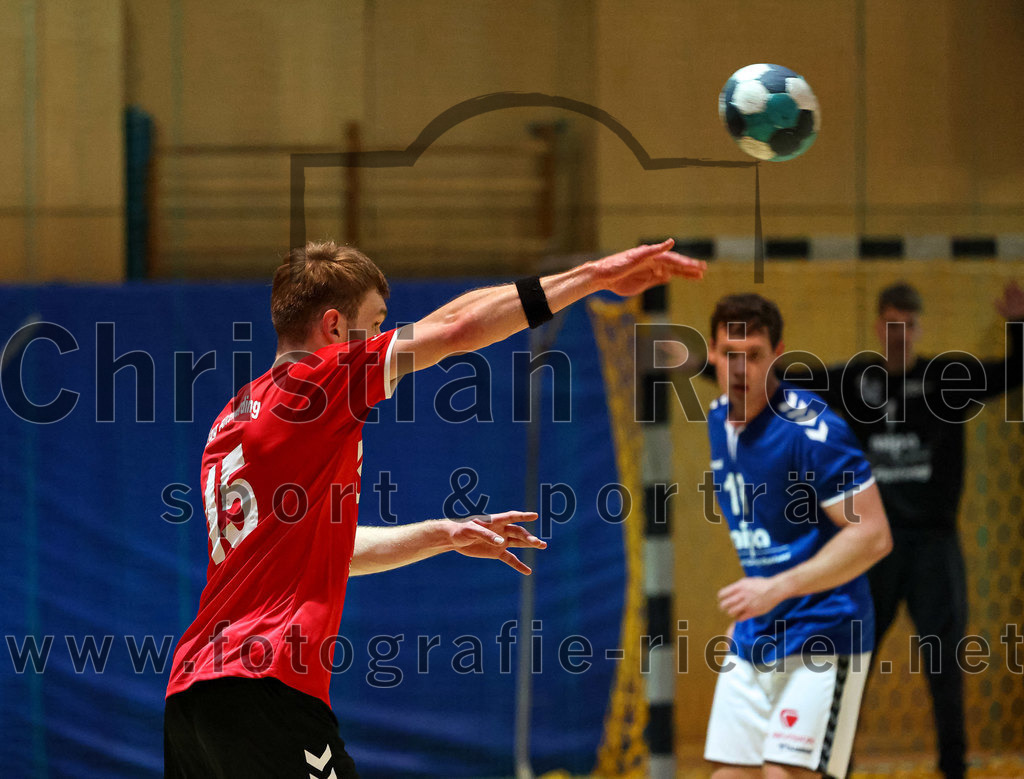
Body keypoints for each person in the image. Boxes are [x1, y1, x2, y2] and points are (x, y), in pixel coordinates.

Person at [163, 239, 706, 777]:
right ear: (333, 327)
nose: (383, 337)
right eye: (376, 325)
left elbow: (325, 549)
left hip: (193, 696)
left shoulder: (233, 417)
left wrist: (443, 534)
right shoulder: (316, 382)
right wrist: (593, 277)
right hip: (265, 683)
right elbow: (456, 328)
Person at [787, 281, 1024, 779]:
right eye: (893, 325)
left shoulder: (947, 380)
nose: (900, 335)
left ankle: (953, 767)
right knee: (851, 660)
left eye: (909, 326)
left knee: (945, 663)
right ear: (879, 326)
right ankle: (836, 766)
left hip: (933, 545)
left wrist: (1019, 324)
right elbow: (783, 385)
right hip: (872, 546)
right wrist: (707, 363)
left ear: (919, 329)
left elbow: (1014, 372)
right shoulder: (853, 382)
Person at [700, 293, 892, 779]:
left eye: (754, 355)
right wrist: (757, 603)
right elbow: (766, 531)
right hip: (758, 631)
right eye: (730, 354)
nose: (740, 369)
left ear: (778, 355)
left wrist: (776, 589)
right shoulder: (719, 419)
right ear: (713, 354)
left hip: (824, 631)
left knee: (783, 774)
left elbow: (872, 535)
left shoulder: (813, 431)